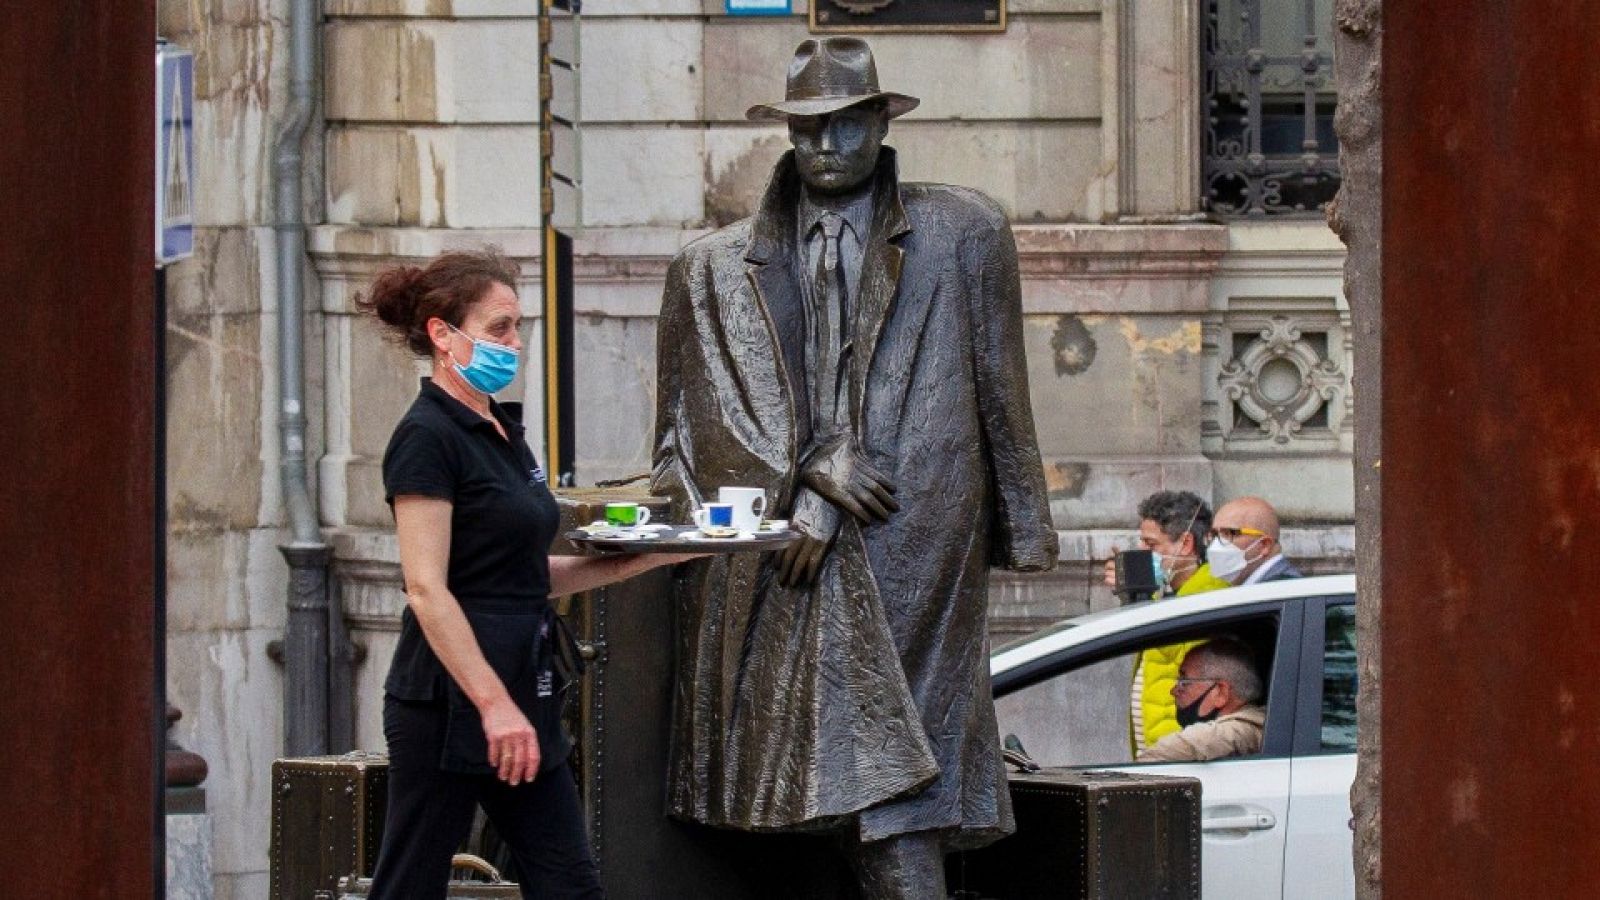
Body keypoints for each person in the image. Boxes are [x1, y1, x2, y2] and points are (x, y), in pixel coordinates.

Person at [651, 37, 1059, 899]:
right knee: (835, 780)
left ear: (880, 121)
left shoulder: (964, 231)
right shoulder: (710, 268)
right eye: (807, 131)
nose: (825, 148)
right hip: (786, 559)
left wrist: (1023, 524)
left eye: (844, 127)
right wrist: (801, 469)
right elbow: (684, 442)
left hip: (920, 528)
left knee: (898, 776)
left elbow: (998, 383)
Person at [357, 249, 697, 899]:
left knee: (569, 884)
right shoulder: (427, 436)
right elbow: (428, 588)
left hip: (523, 690)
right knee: (411, 884)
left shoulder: (502, 431)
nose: (515, 343)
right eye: (499, 328)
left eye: (518, 326)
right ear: (441, 334)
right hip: (451, 702)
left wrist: (656, 554)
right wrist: (492, 707)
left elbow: (521, 577)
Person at [1101, 491, 1232, 752]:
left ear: (1185, 544)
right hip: (1160, 747)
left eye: (1152, 545)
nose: (1143, 552)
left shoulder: (1208, 595)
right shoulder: (1170, 595)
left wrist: (1140, 596)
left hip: (1179, 751)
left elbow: (1171, 647)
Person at [1137, 637, 1267, 763]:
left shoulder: (1245, 729)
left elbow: (1203, 740)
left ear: (1221, 692)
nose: (1173, 691)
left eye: (1184, 681)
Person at [1207, 496, 1303, 585]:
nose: (1217, 543)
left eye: (1230, 533)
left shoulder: (1279, 590)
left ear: (1264, 545)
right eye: (1215, 534)